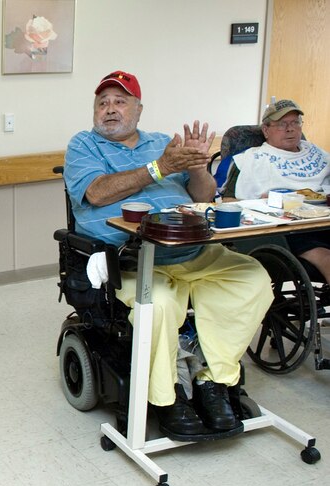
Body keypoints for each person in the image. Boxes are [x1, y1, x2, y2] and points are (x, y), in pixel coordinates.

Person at [64, 70, 273, 440]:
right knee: (156, 304)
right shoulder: (83, 146)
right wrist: (159, 167)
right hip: (132, 256)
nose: (110, 109)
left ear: (139, 110)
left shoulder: (163, 142)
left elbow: (204, 195)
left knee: (252, 279)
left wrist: (194, 166)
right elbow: (96, 193)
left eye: (120, 101)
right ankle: (168, 396)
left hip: (192, 248)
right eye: (103, 103)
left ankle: (214, 381)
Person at [230, 99, 330, 283]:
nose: (290, 129)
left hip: (324, 218)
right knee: (326, 259)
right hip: (290, 228)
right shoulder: (252, 159)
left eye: (295, 122)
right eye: (282, 124)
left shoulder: (316, 153)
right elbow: (228, 202)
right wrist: (266, 202)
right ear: (266, 130)